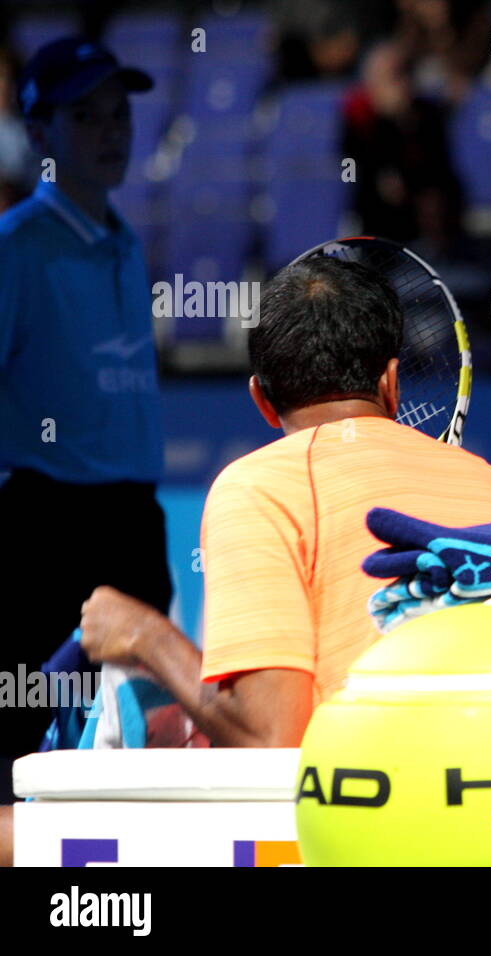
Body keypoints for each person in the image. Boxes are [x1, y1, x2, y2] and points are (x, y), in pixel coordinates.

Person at [74, 255, 491, 748]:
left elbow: (271, 739)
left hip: (363, 811)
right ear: (391, 383)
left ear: (261, 401)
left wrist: (146, 635)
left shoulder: (255, 487)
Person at [0, 37, 169, 804]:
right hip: (46, 526)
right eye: (85, 115)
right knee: (29, 723)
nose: (112, 130)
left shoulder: (125, 242)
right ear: (37, 134)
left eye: (120, 113)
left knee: (137, 724)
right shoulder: (16, 250)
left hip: (134, 521)